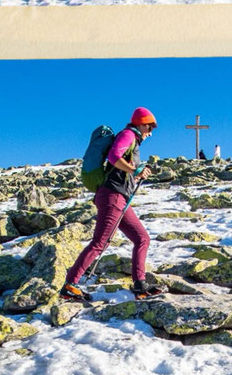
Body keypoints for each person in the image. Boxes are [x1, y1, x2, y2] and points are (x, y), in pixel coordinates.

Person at [61, 107, 159, 303]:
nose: (150, 133)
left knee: (142, 238)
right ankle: (70, 285)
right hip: (113, 196)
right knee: (100, 243)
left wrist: (136, 171)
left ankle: (140, 284)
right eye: (150, 127)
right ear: (142, 123)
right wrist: (134, 169)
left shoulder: (133, 139)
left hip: (118, 198)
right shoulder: (128, 134)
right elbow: (114, 156)